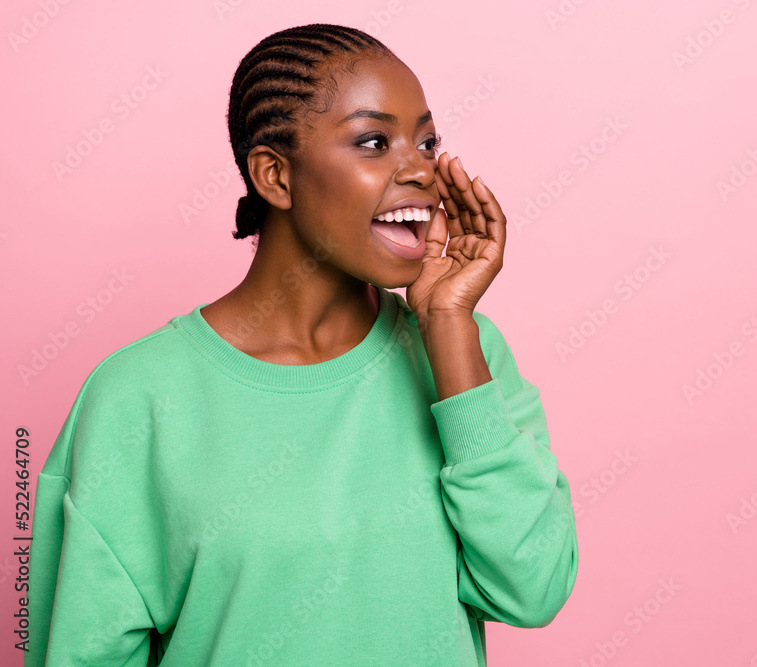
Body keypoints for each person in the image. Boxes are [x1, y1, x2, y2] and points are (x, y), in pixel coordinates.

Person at [26, 23, 578, 666]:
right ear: (275, 176)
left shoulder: (465, 355)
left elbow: (532, 589)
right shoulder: (137, 397)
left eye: (427, 142)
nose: (422, 171)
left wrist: (450, 328)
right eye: (375, 141)